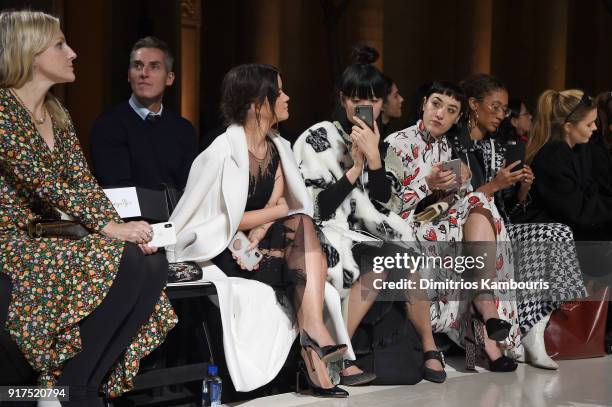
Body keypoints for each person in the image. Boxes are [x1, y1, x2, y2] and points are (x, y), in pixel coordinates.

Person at [0, 10, 176, 407]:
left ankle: (84, 383)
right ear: (30, 52)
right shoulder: (2, 111)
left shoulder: (58, 115)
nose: (73, 52)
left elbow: (83, 183)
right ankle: (71, 388)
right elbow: (42, 182)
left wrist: (120, 224)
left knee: (152, 260)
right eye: (60, 44)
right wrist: (109, 229)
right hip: (10, 238)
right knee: (124, 257)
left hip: (51, 233)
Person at [168, 63, 349, 398]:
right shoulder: (221, 151)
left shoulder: (278, 146)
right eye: (278, 91)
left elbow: (287, 204)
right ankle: (319, 344)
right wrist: (268, 216)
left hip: (263, 242)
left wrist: (266, 221)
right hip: (225, 250)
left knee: (304, 227)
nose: (287, 97)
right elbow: (221, 219)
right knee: (306, 259)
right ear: (256, 103)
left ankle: (313, 334)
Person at [294, 46, 446, 384]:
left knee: (404, 253)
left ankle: (429, 345)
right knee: (381, 261)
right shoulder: (318, 137)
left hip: (367, 232)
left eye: (374, 100)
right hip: (327, 230)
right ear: (342, 99)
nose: (366, 107)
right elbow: (317, 206)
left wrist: (374, 161)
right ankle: (341, 354)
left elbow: (385, 204)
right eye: (357, 99)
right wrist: (354, 169)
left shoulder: (384, 145)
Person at [384, 80, 520, 372]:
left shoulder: (448, 148)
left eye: (450, 110)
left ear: (458, 117)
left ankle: (484, 307)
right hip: (408, 226)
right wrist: (426, 185)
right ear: (423, 104)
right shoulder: (396, 143)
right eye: (435, 104)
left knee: (478, 205)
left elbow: (461, 199)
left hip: (446, 223)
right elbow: (387, 206)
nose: (440, 114)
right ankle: (487, 329)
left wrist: (459, 185)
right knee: (475, 220)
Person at [450, 75, 585, 369]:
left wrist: (522, 188)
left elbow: (510, 207)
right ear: (473, 105)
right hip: (463, 225)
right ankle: (496, 333)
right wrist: (495, 186)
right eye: (495, 107)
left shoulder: (500, 146)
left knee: (556, 231)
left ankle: (532, 329)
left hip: (501, 224)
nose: (501, 115)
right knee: (488, 223)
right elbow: (456, 203)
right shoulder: (453, 145)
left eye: (505, 110)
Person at [90, 36, 198, 192]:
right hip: (130, 216)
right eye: (138, 66)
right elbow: (119, 190)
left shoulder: (185, 130)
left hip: (179, 215)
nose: (144, 73)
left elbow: (190, 190)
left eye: (154, 67)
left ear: (169, 78)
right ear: (129, 75)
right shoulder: (107, 125)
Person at [525, 89, 612, 241]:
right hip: (556, 239)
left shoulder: (581, 149)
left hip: (577, 230)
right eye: (589, 124)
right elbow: (578, 212)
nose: (595, 128)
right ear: (568, 127)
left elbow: (593, 193)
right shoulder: (551, 158)